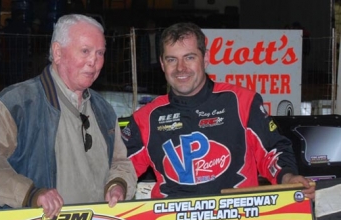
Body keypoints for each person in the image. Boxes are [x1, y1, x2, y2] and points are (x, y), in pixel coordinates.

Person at [0, 14, 137, 218]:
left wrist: (118, 185)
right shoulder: (17, 104)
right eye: (85, 51)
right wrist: (30, 194)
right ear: (58, 52)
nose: (93, 62)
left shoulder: (104, 110)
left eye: (100, 53)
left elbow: (120, 163)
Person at [122, 22, 315, 200]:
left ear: (205, 59)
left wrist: (287, 177)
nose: (181, 68)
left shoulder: (242, 102)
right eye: (172, 59)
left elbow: (273, 149)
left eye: (189, 57)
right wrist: (117, 185)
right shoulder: (144, 118)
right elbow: (121, 166)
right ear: (162, 65)